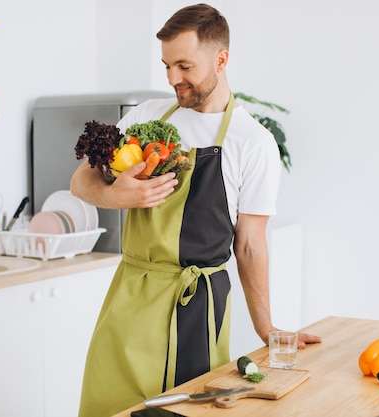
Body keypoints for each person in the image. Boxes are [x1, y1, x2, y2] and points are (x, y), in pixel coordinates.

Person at [71, 4, 321, 416]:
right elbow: (81, 181)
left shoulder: (252, 142)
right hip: (129, 296)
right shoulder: (148, 116)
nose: (173, 78)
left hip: (195, 307)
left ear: (221, 59)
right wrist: (119, 197)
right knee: (106, 407)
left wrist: (266, 328)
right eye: (167, 65)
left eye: (184, 65)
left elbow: (250, 244)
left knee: (183, 410)